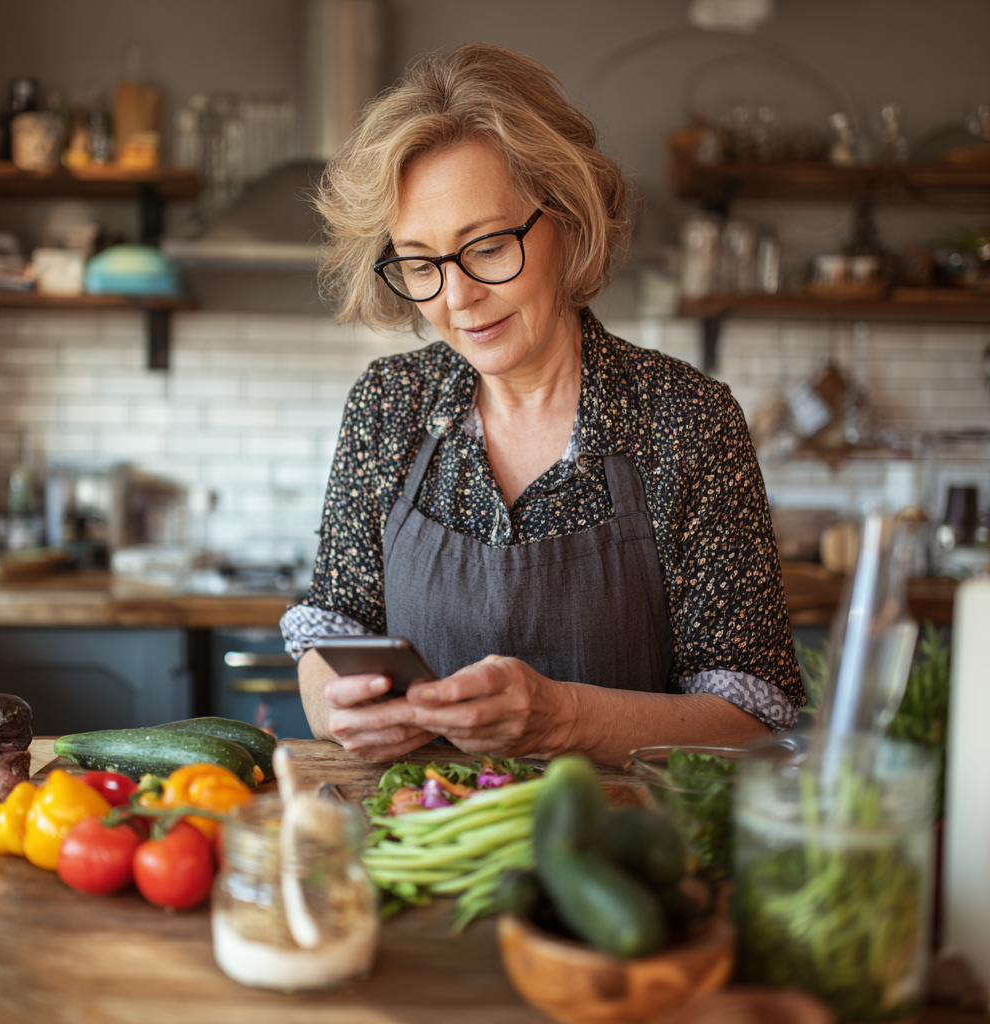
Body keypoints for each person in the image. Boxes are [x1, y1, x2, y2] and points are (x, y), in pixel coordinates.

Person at [281, 42, 805, 767]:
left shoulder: (687, 419)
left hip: (620, 830)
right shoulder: (388, 405)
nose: (457, 297)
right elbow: (331, 634)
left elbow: (751, 719)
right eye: (421, 263)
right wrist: (333, 709)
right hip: (420, 827)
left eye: (488, 247)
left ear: (567, 218)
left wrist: (565, 719)